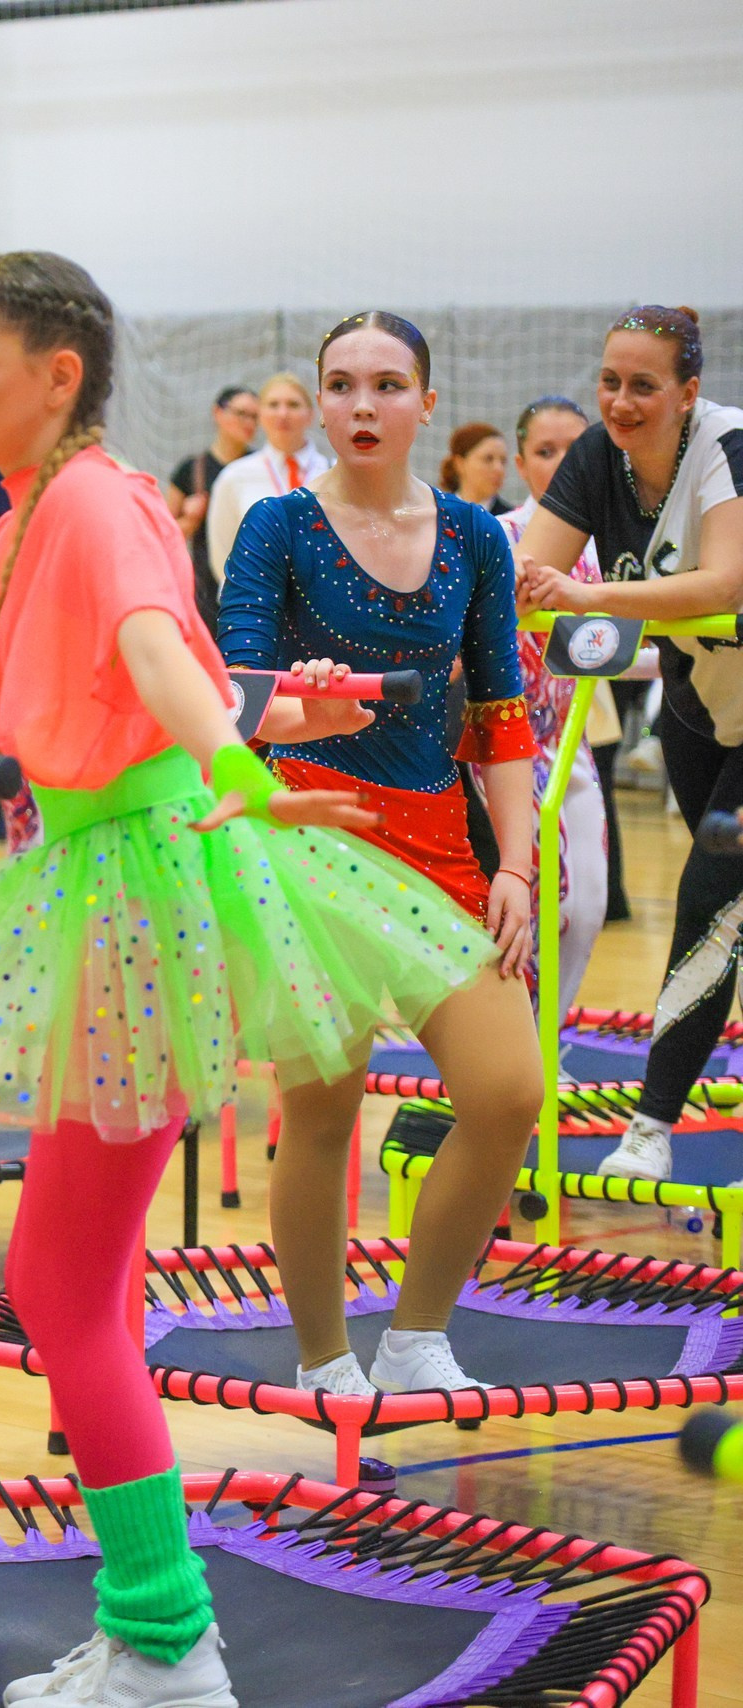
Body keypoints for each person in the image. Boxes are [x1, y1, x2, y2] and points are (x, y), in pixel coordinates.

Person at [0, 251, 496, 1708]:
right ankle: (154, 1636)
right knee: (83, 1283)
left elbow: (150, 650)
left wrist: (241, 764)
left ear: (58, 377)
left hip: (136, 889)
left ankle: (169, 1642)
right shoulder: (3, 533)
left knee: (57, 1286)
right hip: (91, 874)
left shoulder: (96, 501)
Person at [218, 311, 541, 1399]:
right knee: (323, 1101)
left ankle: (416, 1335)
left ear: (424, 406)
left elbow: (501, 712)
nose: (362, 405)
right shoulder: (276, 526)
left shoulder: (474, 537)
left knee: (505, 1091)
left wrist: (515, 868)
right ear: (318, 402)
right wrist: (297, 709)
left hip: (442, 840)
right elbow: (233, 704)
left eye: (387, 385)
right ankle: (321, 1356)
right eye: (342, 385)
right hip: (310, 831)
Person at [511, 307, 743, 1184]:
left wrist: (581, 594)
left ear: (688, 392)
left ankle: (651, 1125)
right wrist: (553, 588)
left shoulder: (726, 444)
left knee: (707, 902)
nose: (620, 401)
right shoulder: (595, 456)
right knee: (727, 914)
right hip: (699, 708)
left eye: (644, 385)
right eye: (610, 380)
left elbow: (725, 579)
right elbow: (538, 576)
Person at [493, 395, 612, 1009]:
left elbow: (622, 646)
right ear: (519, 463)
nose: (565, 464)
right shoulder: (504, 538)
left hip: (572, 741)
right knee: (535, 907)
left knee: (589, 905)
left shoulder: (611, 544)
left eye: (577, 450)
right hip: (506, 746)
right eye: (546, 452)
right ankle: (515, 1055)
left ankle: (549, 1043)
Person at [206, 371, 330, 578]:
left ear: (311, 414)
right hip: (260, 604)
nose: (283, 414)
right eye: (273, 405)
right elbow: (222, 557)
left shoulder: (333, 472)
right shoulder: (234, 477)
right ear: (260, 415)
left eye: (293, 405)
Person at [166, 385, 259, 624]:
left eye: (254, 417)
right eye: (242, 414)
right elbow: (163, 537)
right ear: (218, 413)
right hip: (202, 590)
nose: (248, 423)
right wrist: (190, 519)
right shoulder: (191, 470)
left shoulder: (260, 469)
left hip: (253, 584)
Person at [441, 421, 512, 514]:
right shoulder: (437, 514)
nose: (499, 469)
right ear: (459, 464)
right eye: (488, 459)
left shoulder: (513, 522)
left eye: (503, 461)